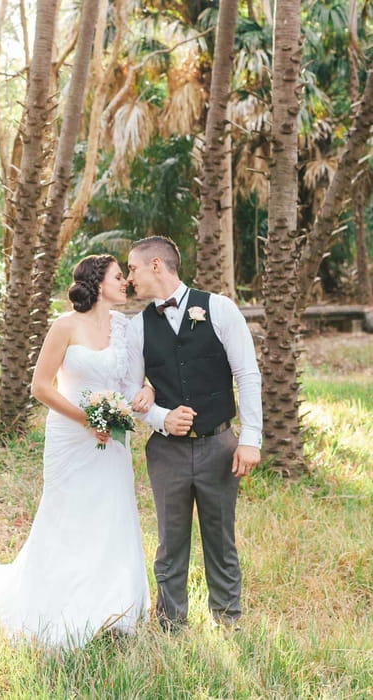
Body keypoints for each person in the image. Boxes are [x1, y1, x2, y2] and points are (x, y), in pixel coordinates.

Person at [0, 254, 150, 649]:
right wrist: (87, 419)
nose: (125, 283)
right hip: (72, 434)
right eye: (119, 277)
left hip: (112, 437)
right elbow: (42, 386)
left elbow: (136, 380)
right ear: (99, 283)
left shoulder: (126, 328)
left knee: (112, 510)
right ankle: (56, 602)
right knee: (68, 513)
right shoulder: (64, 326)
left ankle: (115, 605)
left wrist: (146, 391)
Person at [126, 235, 262, 631]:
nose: (129, 277)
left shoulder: (219, 308)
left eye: (132, 268)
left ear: (156, 265)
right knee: (171, 542)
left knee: (220, 538)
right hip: (166, 452)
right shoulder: (138, 328)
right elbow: (131, 395)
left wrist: (250, 438)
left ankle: (228, 621)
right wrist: (160, 417)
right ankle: (170, 625)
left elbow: (247, 374)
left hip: (219, 444)